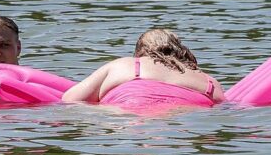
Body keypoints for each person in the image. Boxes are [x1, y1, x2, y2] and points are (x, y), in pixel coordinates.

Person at [61, 28, 225, 106]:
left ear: (139, 51)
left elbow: (70, 99)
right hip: (186, 119)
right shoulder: (207, 81)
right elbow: (223, 107)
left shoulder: (124, 65)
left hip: (124, 116)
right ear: (181, 51)